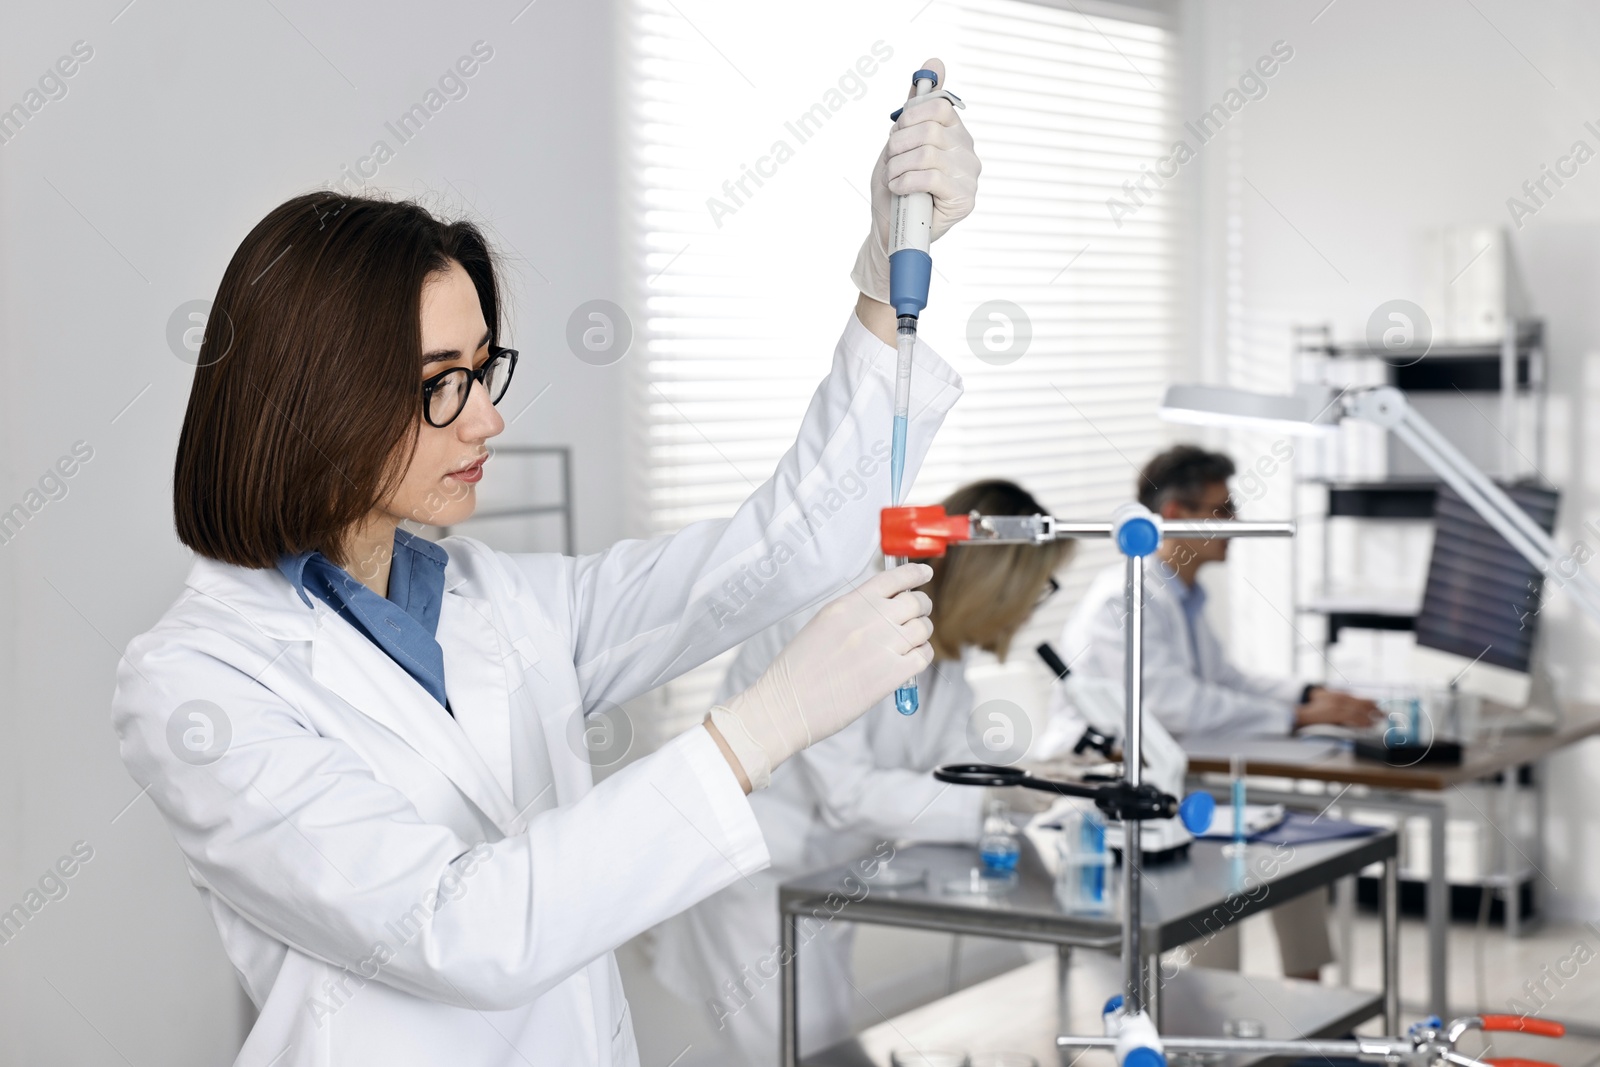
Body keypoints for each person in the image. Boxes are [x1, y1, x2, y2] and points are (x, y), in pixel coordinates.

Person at [109, 61, 979, 1067]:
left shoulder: (500, 599)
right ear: (318, 399)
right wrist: (759, 729)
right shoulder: (194, 681)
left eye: (484, 369)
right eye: (442, 384)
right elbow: (453, 927)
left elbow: (775, 552)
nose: (488, 415)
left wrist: (883, 272)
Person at [652, 479, 1072, 1065]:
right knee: (796, 1055)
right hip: (756, 884)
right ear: (995, 583)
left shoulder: (939, 651)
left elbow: (952, 763)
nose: (1034, 606)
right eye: (1036, 589)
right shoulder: (849, 622)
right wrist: (994, 799)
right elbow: (847, 794)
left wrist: (1026, 780)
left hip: (821, 881)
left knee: (829, 1049)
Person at [1054, 444, 1381, 980]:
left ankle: (1313, 1007)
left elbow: (1224, 680)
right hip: (1108, 776)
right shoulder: (1124, 599)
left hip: (1179, 765)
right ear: (1177, 518)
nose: (1236, 525)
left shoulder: (1182, 594)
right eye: (1224, 511)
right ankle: (1214, 1020)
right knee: (1229, 859)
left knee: (1289, 841)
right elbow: (1175, 703)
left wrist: (1308, 694)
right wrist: (1300, 717)